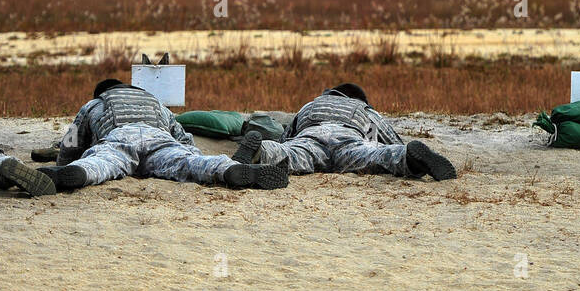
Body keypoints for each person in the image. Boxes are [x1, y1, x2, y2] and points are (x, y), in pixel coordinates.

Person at [38, 79, 289, 190]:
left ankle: (74, 175)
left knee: (101, 164)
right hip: (160, 139)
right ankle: (227, 169)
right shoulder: (156, 102)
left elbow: (72, 140)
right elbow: (182, 139)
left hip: (120, 137)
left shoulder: (95, 103)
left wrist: (64, 163)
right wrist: (192, 154)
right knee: (191, 164)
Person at [233, 83, 456, 180]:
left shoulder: (310, 105)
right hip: (348, 138)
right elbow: (387, 138)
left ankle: (260, 151)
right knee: (376, 156)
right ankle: (409, 157)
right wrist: (400, 147)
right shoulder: (362, 108)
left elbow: (287, 138)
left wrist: (275, 144)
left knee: (291, 154)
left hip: (312, 134)